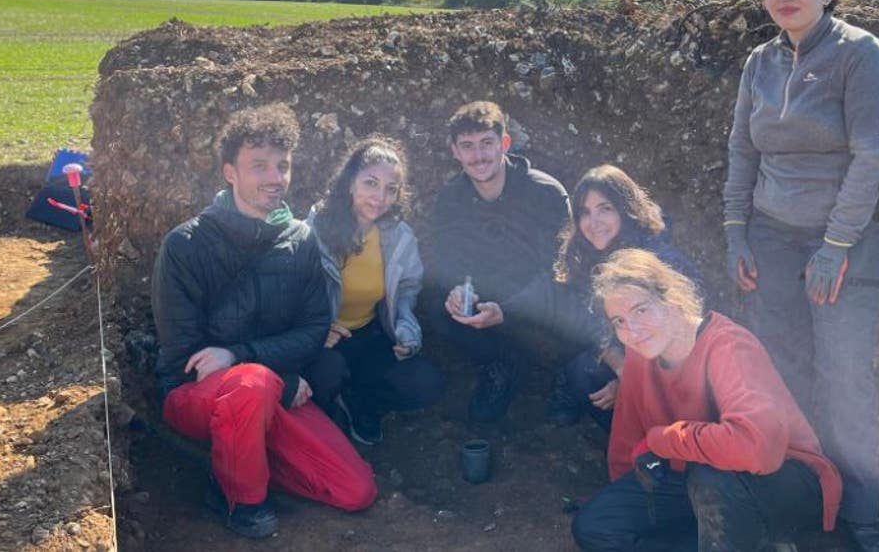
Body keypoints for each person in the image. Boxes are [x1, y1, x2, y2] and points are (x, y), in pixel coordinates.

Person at [723, 0, 879, 552]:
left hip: (844, 242)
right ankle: (797, 499)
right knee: (781, 370)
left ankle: (862, 518)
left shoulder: (860, 55)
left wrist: (836, 244)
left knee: (844, 374)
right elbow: (744, 151)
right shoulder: (760, 63)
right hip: (772, 234)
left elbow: (872, 154)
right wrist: (734, 231)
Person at [151, 104, 376, 539]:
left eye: (283, 166)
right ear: (230, 172)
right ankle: (242, 499)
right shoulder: (185, 245)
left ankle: (240, 457)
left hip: (270, 388)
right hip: (194, 397)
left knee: (356, 490)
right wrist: (260, 372)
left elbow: (314, 330)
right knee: (251, 384)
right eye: (259, 166)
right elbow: (184, 354)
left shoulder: (301, 240)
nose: (275, 177)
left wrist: (253, 362)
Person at [571, 249, 842, 551]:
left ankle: (769, 541)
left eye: (641, 310)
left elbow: (757, 450)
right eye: (619, 321)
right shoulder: (640, 350)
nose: (631, 330)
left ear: (671, 301)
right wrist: (627, 500)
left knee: (710, 475)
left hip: (782, 482)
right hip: (695, 484)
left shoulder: (728, 345)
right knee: (595, 526)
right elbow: (628, 439)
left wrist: (664, 440)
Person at [518, 164, 708, 430]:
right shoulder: (585, 255)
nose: (593, 223)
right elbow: (587, 318)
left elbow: (685, 339)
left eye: (605, 209)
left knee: (591, 374)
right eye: (585, 212)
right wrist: (620, 367)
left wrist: (633, 379)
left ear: (625, 210)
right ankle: (629, 443)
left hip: (672, 367)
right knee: (581, 368)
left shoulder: (659, 262)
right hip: (625, 350)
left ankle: (664, 443)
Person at [427, 100, 572, 423]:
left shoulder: (546, 193)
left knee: (572, 298)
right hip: (485, 296)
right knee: (436, 306)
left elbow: (563, 270)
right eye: (467, 146)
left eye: (486, 143)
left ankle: (568, 374)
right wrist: (455, 291)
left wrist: (510, 309)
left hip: (538, 296)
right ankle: (500, 366)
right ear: (455, 151)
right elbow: (444, 257)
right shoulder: (451, 198)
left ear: (504, 143)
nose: (478, 156)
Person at [305, 136, 445, 445]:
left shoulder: (399, 236)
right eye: (370, 183)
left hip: (370, 335)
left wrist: (407, 333)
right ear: (349, 183)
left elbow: (407, 290)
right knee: (327, 373)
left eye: (390, 189)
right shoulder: (316, 230)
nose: (379, 197)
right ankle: (326, 412)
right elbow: (292, 291)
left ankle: (362, 403)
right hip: (324, 341)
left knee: (426, 383)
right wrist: (314, 330)